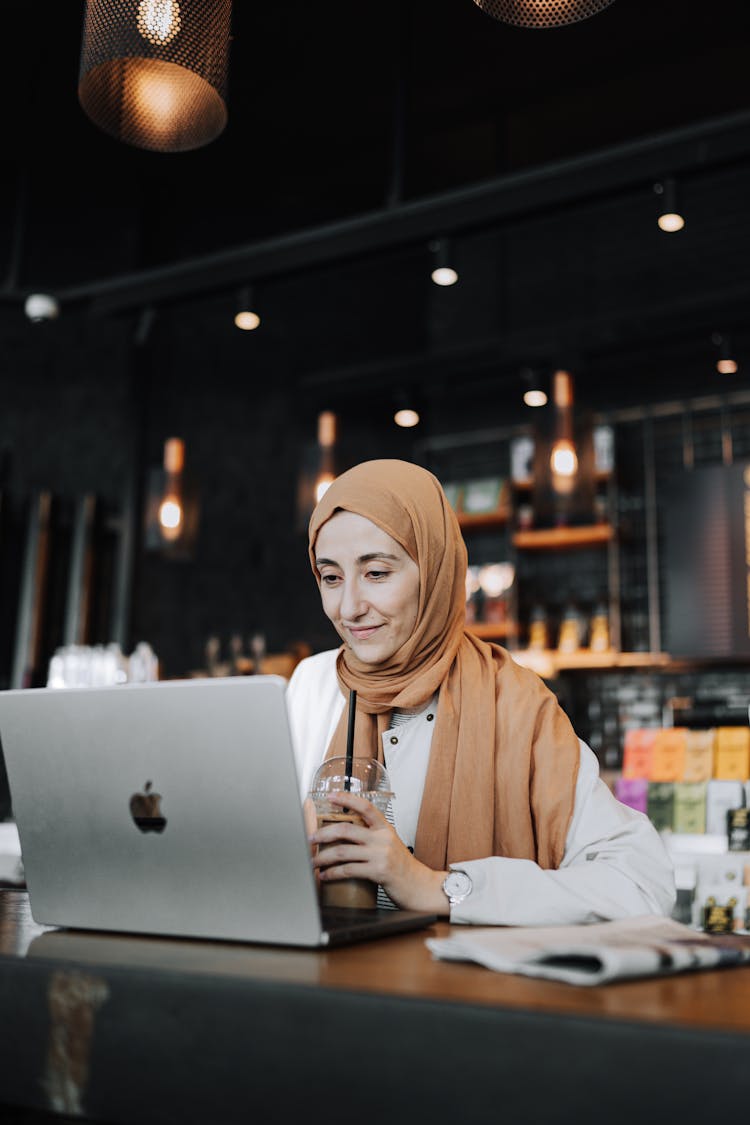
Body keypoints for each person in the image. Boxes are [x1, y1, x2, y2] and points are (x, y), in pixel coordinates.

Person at [286, 458, 675, 926]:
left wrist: (435, 886)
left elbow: (641, 884)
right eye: (331, 578)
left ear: (435, 571)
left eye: (377, 574)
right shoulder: (312, 685)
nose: (349, 607)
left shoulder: (516, 704)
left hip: (468, 994)